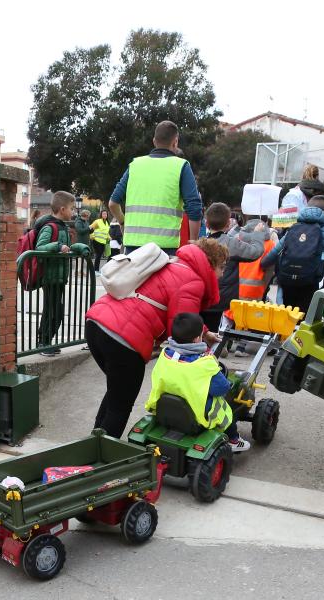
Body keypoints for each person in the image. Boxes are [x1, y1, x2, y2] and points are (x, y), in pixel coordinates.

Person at [84, 238, 227, 438]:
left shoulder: (174, 264)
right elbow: (181, 330)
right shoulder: (193, 280)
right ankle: (100, 459)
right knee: (120, 405)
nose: (222, 274)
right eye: (222, 268)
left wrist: (203, 331)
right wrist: (204, 356)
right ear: (211, 264)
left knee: (116, 392)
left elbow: (179, 315)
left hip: (97, 323)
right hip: (123, 337)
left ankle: (94, 443)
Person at [147, 312, 250, 453]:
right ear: (197, 339)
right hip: (195, 411)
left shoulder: (165, 354)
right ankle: (233, 439)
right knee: (226, 410)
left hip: (164, 405)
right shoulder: (204, 363)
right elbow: (222, 388)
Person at [109, 121, 203, 253]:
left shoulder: (135, 165)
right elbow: (194, 207)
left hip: (133, 247)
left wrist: (123, 222)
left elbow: (113, 203)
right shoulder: (181, 166)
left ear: (154, 141)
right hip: (165, 249)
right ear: (175, 142)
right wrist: (193, 242)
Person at [261, 194, 324, 311]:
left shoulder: (294, 227)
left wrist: (263, 264)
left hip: (287, 276)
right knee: (305, 313)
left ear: (307, 207)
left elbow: (277, 250)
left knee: (287, 312)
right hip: (311, 278)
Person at [204, 202, 267, 332]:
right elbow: (255, 252)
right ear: (228, 224)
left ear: (206, 223)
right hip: (221, 298)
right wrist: (257, 234)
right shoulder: (230, 243)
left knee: (201, 329)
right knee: (212, 329)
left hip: (201, 295)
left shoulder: (199, 244)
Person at [34, 191, 81, 357]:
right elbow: (39, 248)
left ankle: (47, 342)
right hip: (50, 277)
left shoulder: (63, 227)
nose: (73, 212)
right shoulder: (50, 227)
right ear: (62, 209)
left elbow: (65, 248)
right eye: (71, 208)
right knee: (52, 311)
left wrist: (78, 248)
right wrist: (57, 246)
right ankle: (42, 343)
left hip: (60, 278)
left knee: (56, 311)